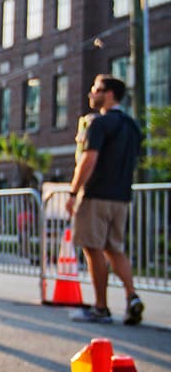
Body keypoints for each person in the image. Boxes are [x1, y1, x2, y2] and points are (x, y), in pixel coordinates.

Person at [66, 75, 144, 325]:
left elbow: (88, 160)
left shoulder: (99, 124)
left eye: (96, 89)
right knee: (115, 249)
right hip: (122, 197)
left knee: (92, 248)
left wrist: (72, 192)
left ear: (109, 94)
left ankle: (100, 307)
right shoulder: (132, 126)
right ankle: (131, 296)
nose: (91, 93)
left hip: (97, 195)